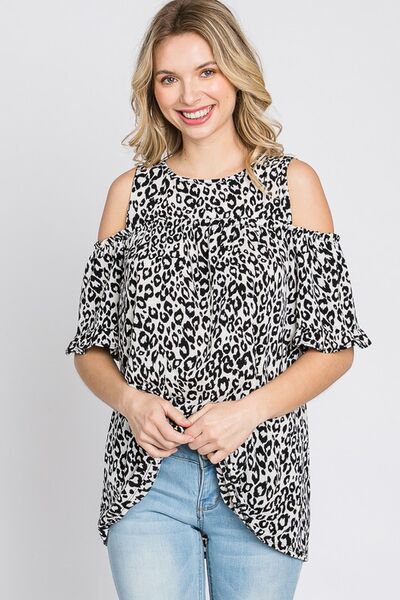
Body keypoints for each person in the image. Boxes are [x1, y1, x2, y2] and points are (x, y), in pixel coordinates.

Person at [65, 1, 372, 598]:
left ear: (235, 72)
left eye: (206, 71)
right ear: (152, 90)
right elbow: (90, 347)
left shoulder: (293, 186)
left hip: (266, 478)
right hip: (146, 480)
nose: (189, 95)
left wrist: (247, 412)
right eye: (169, 78)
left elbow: (336, 347)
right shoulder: (130, 194)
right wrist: (130, 401)